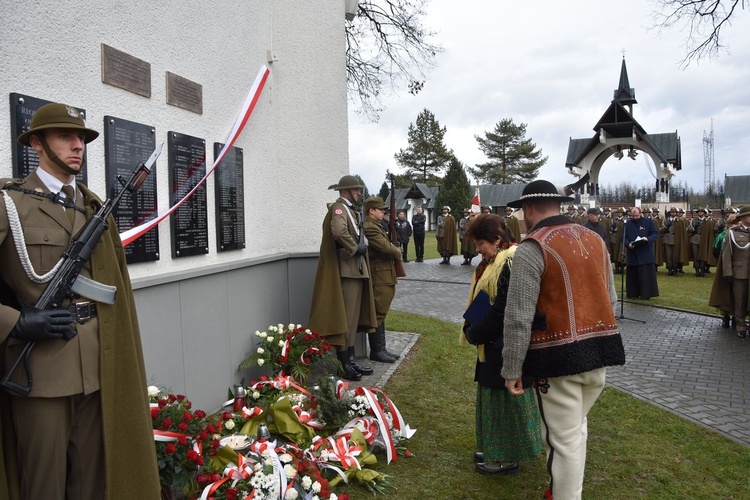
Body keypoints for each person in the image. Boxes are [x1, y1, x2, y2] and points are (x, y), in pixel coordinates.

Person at [0, 102, 160, 499]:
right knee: (44, 487)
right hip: (40, 371)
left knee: (91, 484)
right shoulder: (10, 205)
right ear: (36, 143)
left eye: (82, 139)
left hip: (97, 368)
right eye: (65, 136)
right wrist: (14, 323)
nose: (77, 146)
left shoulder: (93, 208)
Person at [501, 179, 625, 500]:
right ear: (558, 204)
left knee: (563, 442)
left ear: (528, 208)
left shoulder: (532, 247)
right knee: (575, 431)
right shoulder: (596, 239)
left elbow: (518, 317)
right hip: (599, 354)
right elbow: (610, 300)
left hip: (557, 361)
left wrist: (512, 368)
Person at [460, 214, 542, 475]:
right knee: (492, 398)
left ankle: (507, 456)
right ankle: (495, 448)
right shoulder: (492, 262)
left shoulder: (511, 262)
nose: (478, 250)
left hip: (503, 345)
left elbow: (502, 310)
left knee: (504, 402)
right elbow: (484, 299)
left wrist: (476, 333)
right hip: (492, 344)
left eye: (481, 243)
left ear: (497, 240)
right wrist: (470, 324)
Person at [308, 174, 377, 381]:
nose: (358, 193)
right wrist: (355, 249)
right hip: (347, 269)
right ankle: (343, 361)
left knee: (352, 318)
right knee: (344, 318)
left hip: (353, 270)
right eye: (355, 190)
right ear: (345, 191)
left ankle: (350, 357)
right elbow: (338, 232)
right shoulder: (339, 209)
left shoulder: (349, 209)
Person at [363, 197, 403, 362]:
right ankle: (376, 351)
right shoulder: (369, 227)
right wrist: (397, 251)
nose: (383, 212)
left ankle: (382, 348)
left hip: (384, 273)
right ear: (371, 211)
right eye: (380, 209)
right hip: (378, 274)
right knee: (378, 311)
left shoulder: (377, 225)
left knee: (382, 310)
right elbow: (384, 247)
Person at [721, 206, 750, 338]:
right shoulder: (733, 232)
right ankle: (741, 325)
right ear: (743, 218)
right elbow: (727, 254)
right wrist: (728, 272)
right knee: (740, 299)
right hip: (740, 271)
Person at [709, 214, 738, 330]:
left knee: (738, 294)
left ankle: (737, 317)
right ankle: (725, 316)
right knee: (725, 293)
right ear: (729, 224)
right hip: (724, 267)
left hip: (739, 267)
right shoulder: (722, 235)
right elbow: (715, 250)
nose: (737, 225)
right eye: (734, 223)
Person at [623, 207, 660, 299]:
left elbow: (655, 234)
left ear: (640, 214)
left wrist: (647, 239)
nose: (635, 218)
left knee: (645, 275)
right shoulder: (627, 224)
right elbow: (623, 238)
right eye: (633, 216)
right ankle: (633, 294)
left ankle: (646, 294)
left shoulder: (648, 222)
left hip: (645, 252)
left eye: (637, 216)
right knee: (633, 275)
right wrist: (628, 244)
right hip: (633, 253)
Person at [687, 207, 710, 277]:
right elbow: (688, 229)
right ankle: (697, 270)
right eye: (699, 212)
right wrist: (693, 227)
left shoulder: (707, 220)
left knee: (703, 255)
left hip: (704, 239)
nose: (700, 213)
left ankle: (703, 270)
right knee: (695, 255)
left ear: (704, 213)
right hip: (695, 238)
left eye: (702, 212)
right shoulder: (693, 220)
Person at [609, 207, 627, 274]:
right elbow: (611, 230)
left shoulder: (626, 220)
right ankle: (616, 268)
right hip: (615, 239)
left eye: (621, 212)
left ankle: (622, 268)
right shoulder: (613, 220)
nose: (619, 214)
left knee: (622, 253)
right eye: (618, 212)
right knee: (615, 253)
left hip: (623, 238)